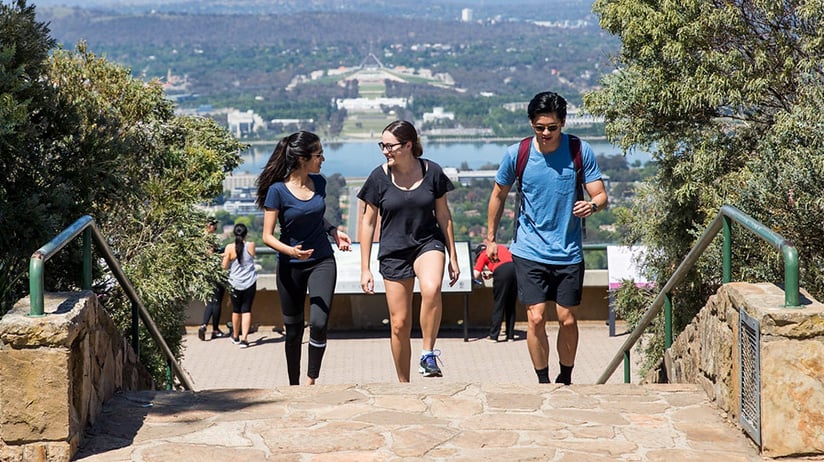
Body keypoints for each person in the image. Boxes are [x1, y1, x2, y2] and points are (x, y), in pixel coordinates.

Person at [486, 91, 607, 385]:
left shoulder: (579, 150)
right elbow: (498, 195)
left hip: (568, 251)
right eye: (540, 127)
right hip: (529, 250)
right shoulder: (517, 154)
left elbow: (600, 195)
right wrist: (491, 239)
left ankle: (565, 377)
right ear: (531, 123)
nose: (546, 133)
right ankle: (542, 381)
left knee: (567, 319)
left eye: (552, 127)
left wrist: (592, 206)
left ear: (562, 123)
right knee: (536, 317)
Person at [358, 120, 460, 382]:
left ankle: (427, 354)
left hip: (427, 243)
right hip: (393, 250)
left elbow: (444, 215)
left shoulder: (432, 171)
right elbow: (368, 223)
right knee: (399, 324)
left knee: (432, 288)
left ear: (408, 145)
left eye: (390, 146)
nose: (385, 151)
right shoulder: (378, 177)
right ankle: (404, 384)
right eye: (382, 145)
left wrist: (453, 256)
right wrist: (365, 268)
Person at [257, 131, 352, 386]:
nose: (323, 159)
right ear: (302, 158)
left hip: (322, 260)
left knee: (319, 323)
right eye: (319, 155)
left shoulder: (319, 183)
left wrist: (333, 231)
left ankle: (311, 380)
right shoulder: (277, 191)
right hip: (290, 266)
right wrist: (291, 252)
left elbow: (315, 217)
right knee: (293, 331)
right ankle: (294, 386)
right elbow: (267, 236)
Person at [473, 241, 517, 343]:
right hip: (514, 270)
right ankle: (510, 335)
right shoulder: (500, 247)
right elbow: (505, 264)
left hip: (502, 273)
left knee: (499, 304)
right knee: (511, 305)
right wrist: (493, 274)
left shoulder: (483, 254)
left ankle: (494, 336)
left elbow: (476, 273)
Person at [222, 223, 257, 349]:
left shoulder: (229, 247)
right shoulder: (251, 245)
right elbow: (252, 256)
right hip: (250, 282)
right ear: (245, 234)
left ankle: (236, 336)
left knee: (236, 310)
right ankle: (244, 339)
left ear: (234, 234)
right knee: (246, 310)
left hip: (235, 282)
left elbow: (224, 266)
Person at [198, 217, 229, 341]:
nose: (215, 229)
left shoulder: (199, 238)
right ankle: (215, 330)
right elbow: (210, 255)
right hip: (214, 272)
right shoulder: (208, 239)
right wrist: (225, 254)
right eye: (215, 227)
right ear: (209, 226)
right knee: (216, 302)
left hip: (206, 273)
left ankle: (204, 325)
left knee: (211, 302)